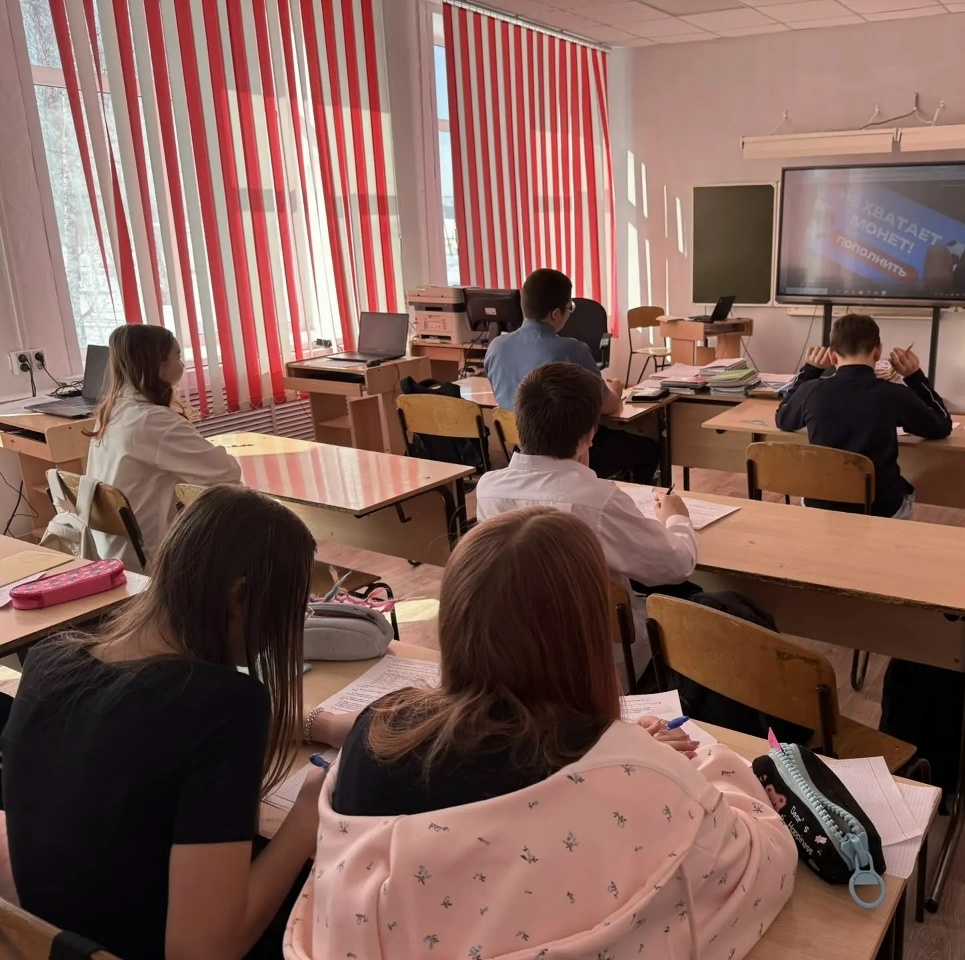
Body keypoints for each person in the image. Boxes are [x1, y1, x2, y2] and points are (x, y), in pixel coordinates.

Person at [284, 507, 796, 960]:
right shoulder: (651, 780)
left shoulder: (373, 732)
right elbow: (763, 866)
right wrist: (697, 766)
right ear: (587, 633)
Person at [2, 485, 330, 960]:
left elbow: (151, 721)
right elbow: (201, 953)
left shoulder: (49, 659)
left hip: (59, 940)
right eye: (291, 608)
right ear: (240, 597)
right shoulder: (228, 705)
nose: (291, 625)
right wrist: (305, 817)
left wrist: (317, 723)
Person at [476, 361, 696, 660]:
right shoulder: (597, 501)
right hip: (602, 657)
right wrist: (677, 518)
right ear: (589, 436)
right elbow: (677, 566)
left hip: (522, 654)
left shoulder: (488, 489)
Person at [84, 323, 242, 568]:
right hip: (153, 557)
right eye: (177, 357)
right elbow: (226, 472)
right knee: (247, 520)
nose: (182, 365)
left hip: (112, 550)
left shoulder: (113, 411)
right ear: (156, 365)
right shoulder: (153, 421)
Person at [484, 268, 660, 483]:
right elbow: (607, 406)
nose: (569, 314)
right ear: (555, 314)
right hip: (570, 452)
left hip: (523, 451)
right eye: (570, 308)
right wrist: (616, 388)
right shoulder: (571, 350)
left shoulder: (496, 348)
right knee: (649, 449)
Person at [775, 313, 951, 518]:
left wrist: (810, 370)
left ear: (832, 356)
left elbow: (782, 419)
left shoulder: (811, 390)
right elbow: (942, 425)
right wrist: (915, 377)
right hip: (880, 509)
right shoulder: (894, 394)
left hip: (820, 505)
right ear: (878, 352)